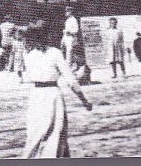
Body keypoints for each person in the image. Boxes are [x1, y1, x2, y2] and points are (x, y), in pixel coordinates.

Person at [22, 22, 93, 158]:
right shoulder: (55, 53)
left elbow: (28, 76)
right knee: (57, 132)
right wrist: (84, 101)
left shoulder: (29, 56)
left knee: (36, 132)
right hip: (53, 96)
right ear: (47, 36)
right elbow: (71, 80)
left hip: (36, 96)